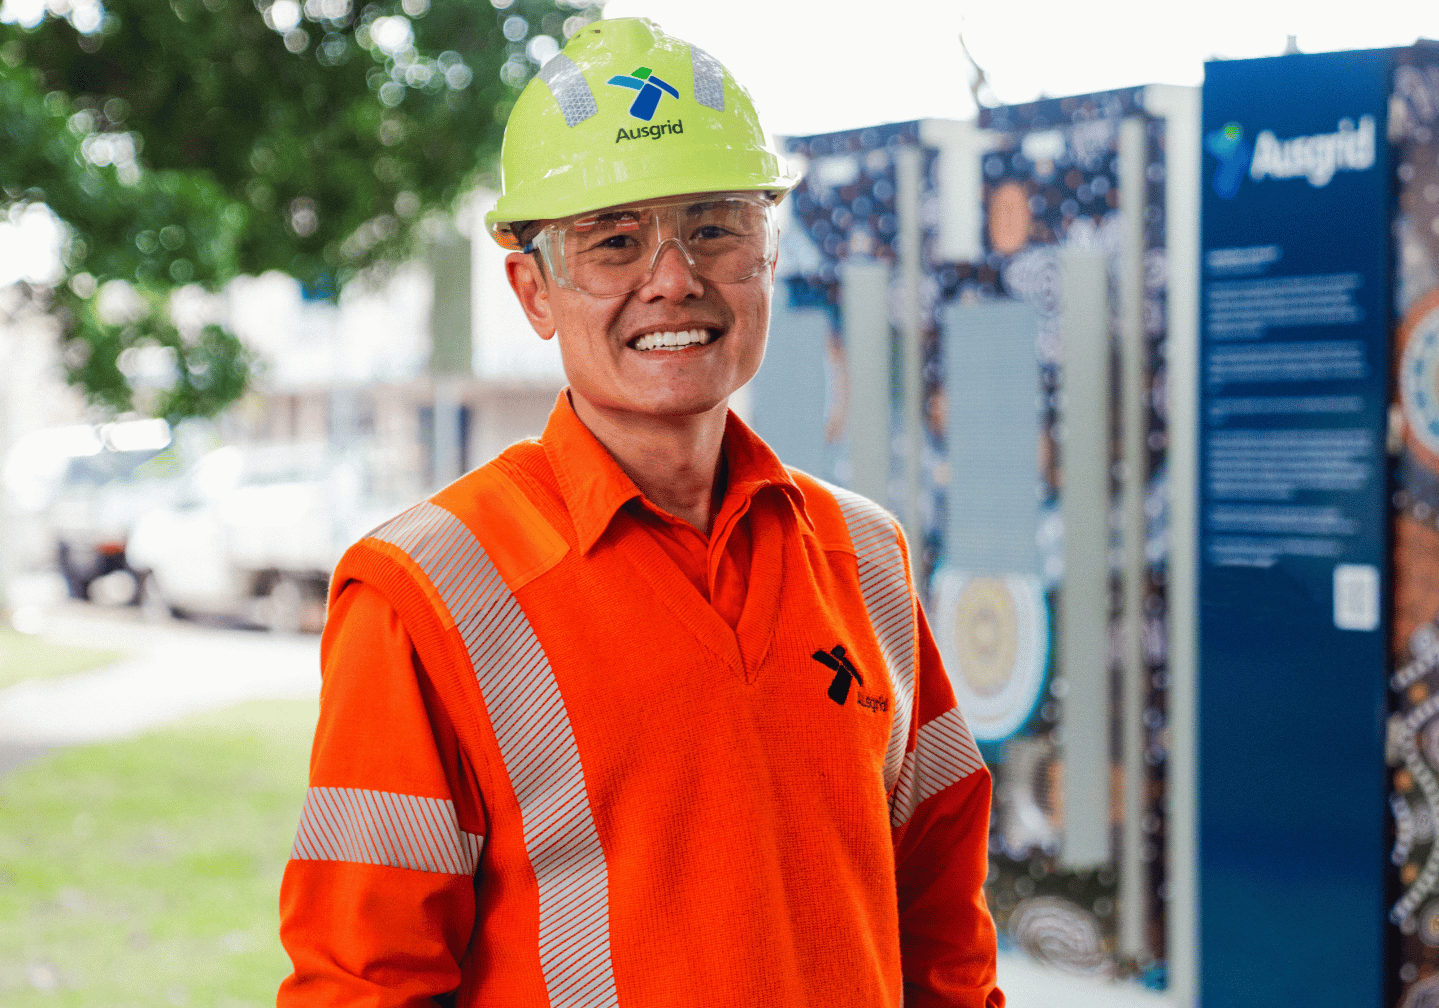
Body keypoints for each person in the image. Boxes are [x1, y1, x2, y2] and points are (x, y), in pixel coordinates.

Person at [276, 17, 1003, 1007]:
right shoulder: (426, 592)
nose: (674, 279)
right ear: (533, 290)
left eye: (713, 227)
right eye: (613, 242)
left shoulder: (865, 557)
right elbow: (364, 986)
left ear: (767, 252)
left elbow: (942, 927)